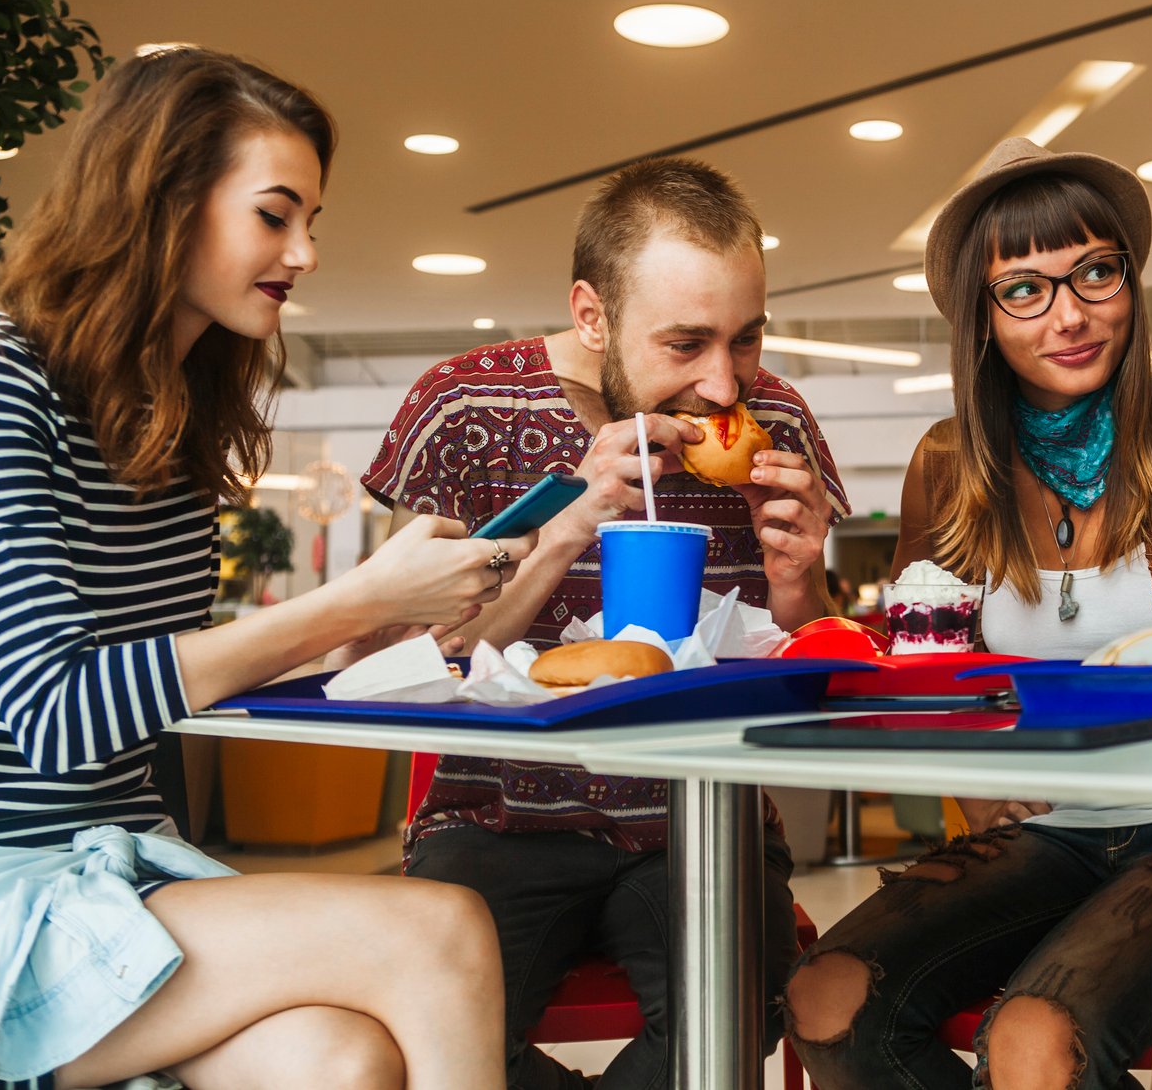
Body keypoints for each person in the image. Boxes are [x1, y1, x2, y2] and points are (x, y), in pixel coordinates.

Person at [0, 47, 529, 1090]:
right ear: (162, 204)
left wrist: (366, 635)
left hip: (115, 868)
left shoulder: (177, 427)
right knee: (441, 929)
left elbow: (176, 690)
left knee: (339, 1060)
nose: (306, 252)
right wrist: (348, 599)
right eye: (275, 214)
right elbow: (60, 715)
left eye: (313, 222)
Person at [784, 136, 1152, 1090]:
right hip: (1041, 829)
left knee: (1032, 1040)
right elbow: (912, 667)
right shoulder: (947, 464)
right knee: (827, 997)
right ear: (979, 318)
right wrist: (980, 789)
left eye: (1094, 273)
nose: (1070, 315)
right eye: (1024, 288)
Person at [361, 158, 849, 1090]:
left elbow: (811, 663)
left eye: (745, 339)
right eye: (686, 343)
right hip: (495, 815)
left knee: (733, 1015)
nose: (721, 385)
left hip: (701, 819)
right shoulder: (465, 408)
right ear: (591, 314)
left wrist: (799, 588)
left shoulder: (778, 419)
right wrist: (562, 530)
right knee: (414, 1023)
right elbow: (394, 660)